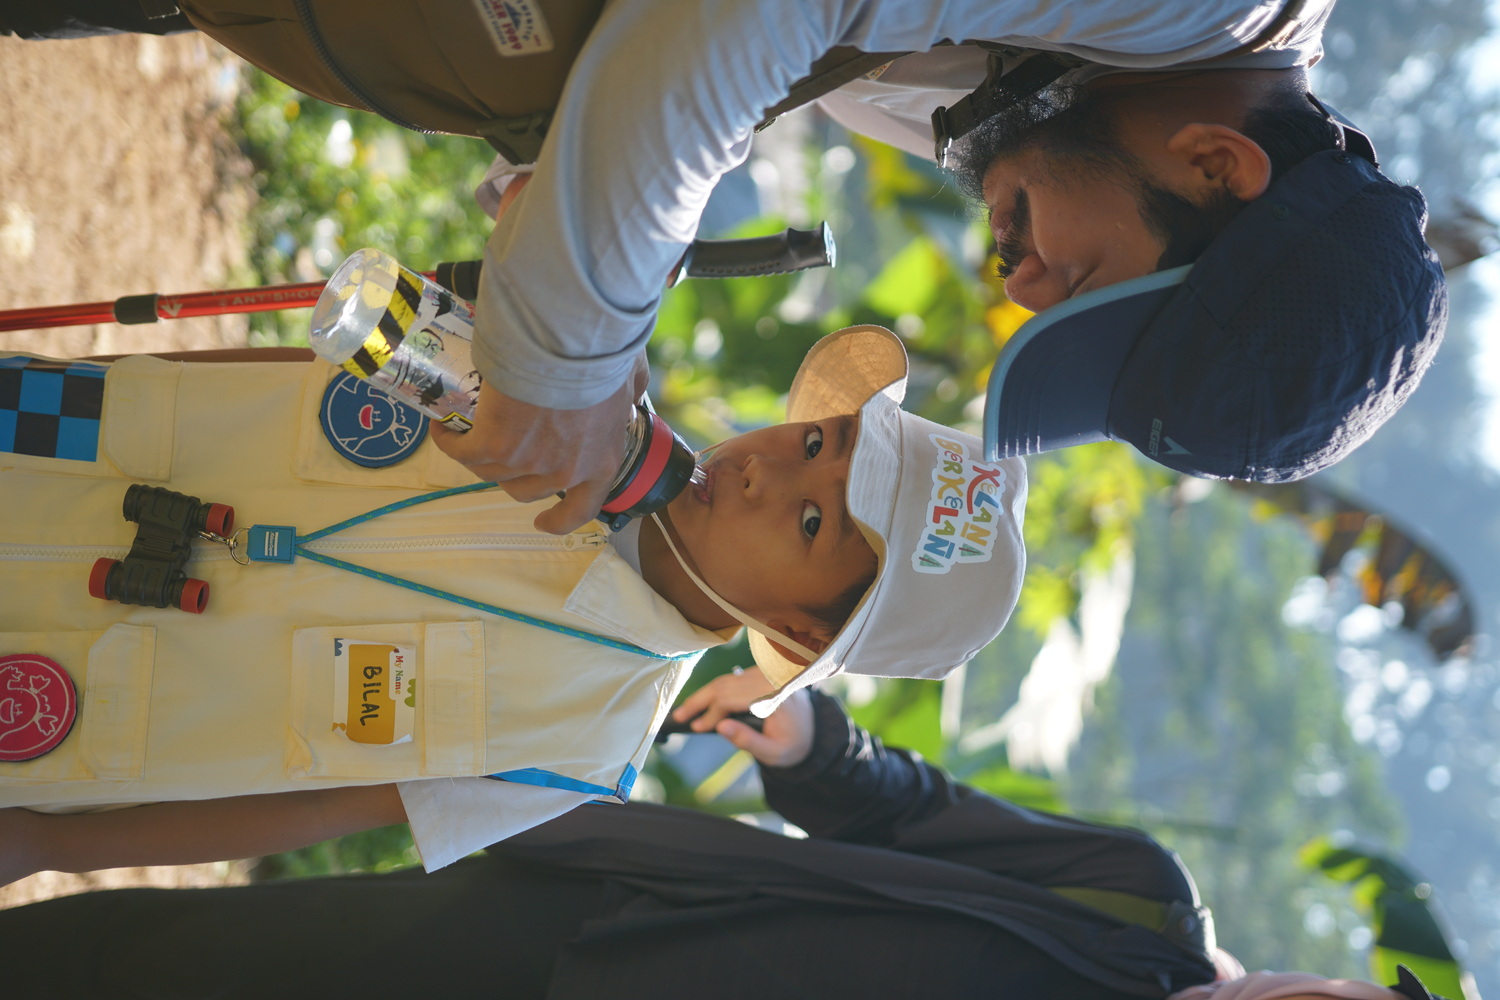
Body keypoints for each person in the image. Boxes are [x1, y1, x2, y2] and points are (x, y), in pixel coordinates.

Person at [1, 0, 1448, 529]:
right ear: (1214, 167)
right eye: (1084, 288)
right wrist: (568, 360)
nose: (1020, 286)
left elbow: (728, 70)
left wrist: (589, 189)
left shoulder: (1065, 87)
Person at [0, 323, 1028, 880]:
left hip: (54, 696)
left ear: (802, 632)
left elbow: (307, 811)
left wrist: (48, 845)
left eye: (812, 522)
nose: (767, 469)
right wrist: (87, 382)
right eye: (813, 442)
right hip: (51, 452)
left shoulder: (582, 749)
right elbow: (297, 378)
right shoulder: (567, 395)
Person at [0, 670, 1452, 1000]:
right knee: (170, 960)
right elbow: (915, 814)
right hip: (585, 931)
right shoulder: (1141, 901)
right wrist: (813, 740)